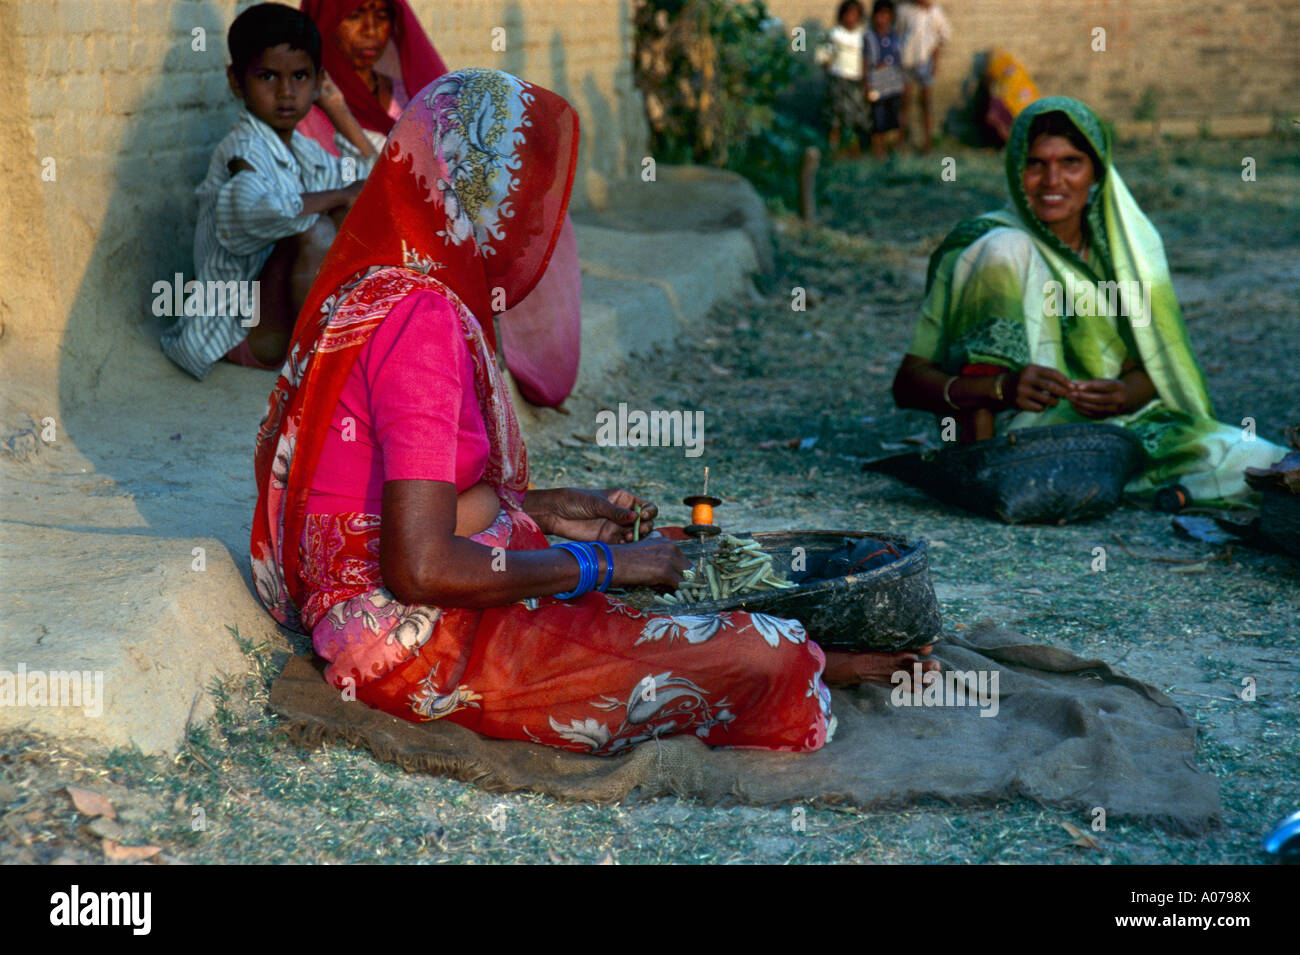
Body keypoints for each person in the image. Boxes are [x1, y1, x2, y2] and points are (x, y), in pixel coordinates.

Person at [251, 69, 936, 755]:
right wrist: (606, 562)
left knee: (686, 554)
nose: (530, 222)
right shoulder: (421, 317)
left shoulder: (382, 287)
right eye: (519, 196)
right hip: (413, 641)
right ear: (474, 193)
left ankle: (782, 648)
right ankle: (802, 663)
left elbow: (397, 506)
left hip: (402, 590)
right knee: (764, 652)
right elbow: (419, 568)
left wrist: (544, 512)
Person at [891, 96, 1285, 502]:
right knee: (1007, 247)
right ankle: (986, 470)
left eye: (1071, 163)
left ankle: (1118, 484)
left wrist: (1122, 395)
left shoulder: (1121, 253)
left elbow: (1152, 370)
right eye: (1036, 163)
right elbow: (908, 384)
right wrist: (1000, 389)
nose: (1052, 181)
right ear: (1015, 170)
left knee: (1263, 462)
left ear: (1096, 171)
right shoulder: (983, 246)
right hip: (1012, 444)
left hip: (1108, 436)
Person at [161, 3, 377, 380]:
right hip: (237, 328)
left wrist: (339, 110)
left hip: (272, 317)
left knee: (352, 212)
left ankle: (349, 352)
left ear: (318, 81)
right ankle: (325, 372)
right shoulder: (241, 151)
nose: (286, 93)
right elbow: (257, 210)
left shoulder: (302, 150)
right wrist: (339, 195)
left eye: (300, 77)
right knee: (316, 229)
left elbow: (371, 182)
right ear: (236, 81)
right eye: (267, 77)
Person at [296, 0, 447, 156]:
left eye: (381, 16)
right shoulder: (300, 109)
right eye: (354, 16)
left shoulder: (412, 96)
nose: (371, 31)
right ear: (324, 23)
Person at [815, 0, 871, 157]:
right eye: (848, 14)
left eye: (855, 15)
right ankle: (833, 150)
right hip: (837, 79)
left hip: (855, 80)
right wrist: (830, 72)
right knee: (835, 117)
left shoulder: (862, 36)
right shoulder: (834, 35)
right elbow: (824, 56)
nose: (851, 18)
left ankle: (854, 150)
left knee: (853, 117)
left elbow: (865, 59)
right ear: (841, 16)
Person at [897, 0, 950, 153]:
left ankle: (927, 141)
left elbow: (942, 37)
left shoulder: (935, 12)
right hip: (906, 61)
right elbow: (899, 33)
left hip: (925, 61)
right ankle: (901, 140)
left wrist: (935, 61)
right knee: (904, 102)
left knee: (926, 102)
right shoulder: (904, 10)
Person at [863, 0, 906, 160]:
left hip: (893, 81)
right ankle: (877, 150)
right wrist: (867, 83)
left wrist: (901, 82)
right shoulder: (869, 37)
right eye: (880, 15)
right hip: (876, 80)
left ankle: (890, 149)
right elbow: (866, 61)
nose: (883, 19)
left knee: (892, 114)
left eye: (887, 15)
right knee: (877, 115)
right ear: (874, 17)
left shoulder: (895, 36)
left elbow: (899, 59)